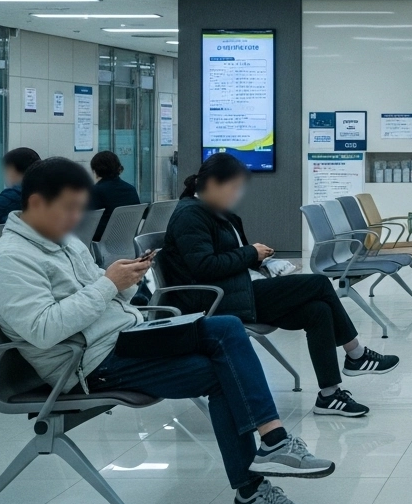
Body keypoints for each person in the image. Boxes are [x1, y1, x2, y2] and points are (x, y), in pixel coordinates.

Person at [0, 157, 333, 504]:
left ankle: (269, 449)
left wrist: (126, 281)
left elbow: (105, 297)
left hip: (125, 338)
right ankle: (253, 486)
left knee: (227, 329)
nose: (75, 218)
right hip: (89, 365)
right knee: (222, 367)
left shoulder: (64, 243)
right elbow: (45, 329)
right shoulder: (9, 261)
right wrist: (108, 285)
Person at [162, 153, 399, 417]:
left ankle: (329, 396)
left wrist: (264, 262)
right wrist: (252, 253)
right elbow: (204, 267)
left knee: (318, 310)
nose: (238, 194)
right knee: (319, 284)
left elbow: (229, 255)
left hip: (238, 289)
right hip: (216, 300)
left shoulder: (215, 213)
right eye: (234, 188)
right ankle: (356, 354)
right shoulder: (191, 216)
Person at [88, 150, 142, 241]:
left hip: (102, 239)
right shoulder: (131, 189)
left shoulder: (96, 191)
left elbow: (88, 218)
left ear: (96, 170)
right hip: (127, 239)